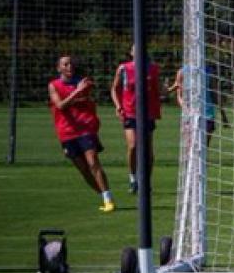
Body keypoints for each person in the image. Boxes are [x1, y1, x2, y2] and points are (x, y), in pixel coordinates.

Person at [48, 55, 115, 213]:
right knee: (83, 169)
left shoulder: (83, 82)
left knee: (93, 162)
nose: (69, 66)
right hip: (66, 132)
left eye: (71, 63)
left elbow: (86, 99)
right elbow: (61, 106)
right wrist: (77, 92)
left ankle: (108, 199)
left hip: (85, 128)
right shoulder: (54, 85)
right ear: (59, 68)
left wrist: (82, 91)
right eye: (65, 64)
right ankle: (102, 195)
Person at [109, 45, 162, 195]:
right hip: (130, 112)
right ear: (131, 53)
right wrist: (118, 105)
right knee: (133, 146)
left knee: (148, 150)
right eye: (135, 49)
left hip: (148, 114)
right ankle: (133, 178)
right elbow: (114, 88)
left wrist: (171, 89)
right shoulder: (124, 68)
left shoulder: (153, 68)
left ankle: (146, 182)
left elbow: (159, 90)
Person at [170, 64, 229, 148]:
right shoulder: (182, 71)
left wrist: (223, 115)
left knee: (204, 147)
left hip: (207, 114)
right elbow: (179, 96)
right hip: (190, 115)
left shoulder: (208, 71)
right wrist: (186, 109)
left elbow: (215, 94)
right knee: (190, 147)